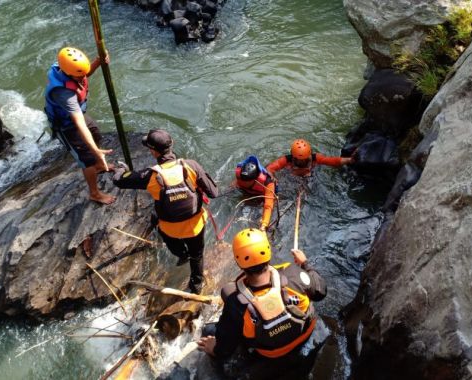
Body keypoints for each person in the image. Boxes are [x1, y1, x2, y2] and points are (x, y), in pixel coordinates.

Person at [197, 228, 327, 379]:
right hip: (303, 336)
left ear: (239, 262)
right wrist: (305, 264)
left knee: (209, 330)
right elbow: (320, 291)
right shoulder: (294, 274)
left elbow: (226, 346)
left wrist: (215, 349)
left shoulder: (236, 302)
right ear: (268, 252)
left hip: (269, 353)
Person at [113, 129, 219, 294]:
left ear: (153, 151)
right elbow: (214, 192)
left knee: (158, 221)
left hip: (170, 228)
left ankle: (181, 254)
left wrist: (121, 169)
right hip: (195, 225)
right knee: (197, 255)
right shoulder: (191, 165)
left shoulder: (149, 175)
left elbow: (119, 181)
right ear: (172, 145)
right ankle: (196, 286)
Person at [44, 46, 115, 205]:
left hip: (78, 114)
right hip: (66, 124)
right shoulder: (64, 93)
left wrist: (98, 61)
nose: (83, 76)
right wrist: (95, 150)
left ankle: (98, 166)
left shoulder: (66, 68)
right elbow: (79, 123)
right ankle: (94, 193)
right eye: (79, 75)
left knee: (95, 132)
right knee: (87, 158)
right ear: (69, 74)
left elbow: (84, 73)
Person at [266, 138, 354, 177]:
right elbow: (271, 167)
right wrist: (271, 175)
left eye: (305, 159)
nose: (302, 161)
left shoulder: (316, 158)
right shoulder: (286, 160)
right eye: (299, 160)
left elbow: (332, 161)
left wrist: (349, 160)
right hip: (292, 177)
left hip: (310, 176)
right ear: (293, 157)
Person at [233, 155, 276, 231]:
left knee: (258, 218)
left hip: (261, 196)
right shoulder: (239, 173)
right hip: (246, 192)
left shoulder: (267, 183)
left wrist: (264, 224)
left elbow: (268, 206)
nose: (244, 183)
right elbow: (234, 184)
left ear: (255, 180)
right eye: (243, 180)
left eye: (247, 182)